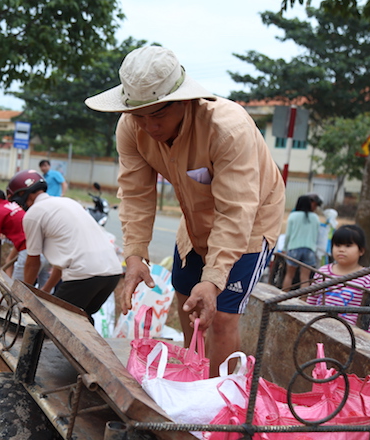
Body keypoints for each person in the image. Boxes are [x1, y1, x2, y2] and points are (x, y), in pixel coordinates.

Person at [84, 46, 285, 376]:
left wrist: (214, 279)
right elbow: (135, 194)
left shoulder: (227, 129)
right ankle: (193, 387)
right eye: (139, 115)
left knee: (220, 318)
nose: (149, 125)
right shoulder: (130, 127)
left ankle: (215, 408)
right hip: (192, 226)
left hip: (249, 223)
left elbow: (236, 210)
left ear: (183, 101)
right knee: (189, 309)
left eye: (158, 114)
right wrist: (135, 255)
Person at [7, 169, 122, 320]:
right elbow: (62, 262)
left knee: (50, 323)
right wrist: (46, 290)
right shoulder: (68, 202)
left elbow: (32, 262)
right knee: (81, 319)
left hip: (84, 275)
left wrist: (24, 296)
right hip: (112, 273)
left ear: (22, 195)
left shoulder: (34, 214)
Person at [306, 225, 370, 336]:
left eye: (348, 245)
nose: (341, 249)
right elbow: (310, 303)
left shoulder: (368, 280)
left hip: (348, 337)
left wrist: (369, 342)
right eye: (337, 245)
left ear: (361, 251)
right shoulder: (322, 272)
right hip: (317, 329)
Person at [0, 184, 50, 286]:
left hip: (29, 253)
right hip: (46, 252)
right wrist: (9, 258)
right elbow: (22, 235)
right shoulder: (13, 206)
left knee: (17, 292)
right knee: (45, 294)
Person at [282, 195, 320, 291]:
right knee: (305, 278)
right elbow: (316, 235)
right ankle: (303, 300)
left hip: (294, 248)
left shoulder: (293, 216)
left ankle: (282, 299)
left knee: (289, 275)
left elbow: (288, 235)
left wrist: (284, 248)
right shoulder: (315, 217)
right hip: (309, 249)